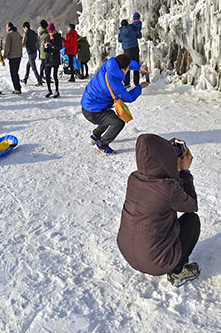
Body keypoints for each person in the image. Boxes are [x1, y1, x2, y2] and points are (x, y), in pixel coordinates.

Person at [117, 134, 200, 287]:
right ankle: (177, 272)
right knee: (192, 220)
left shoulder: (134, 178)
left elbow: (158, 188)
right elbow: (191, 205)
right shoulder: (168, 188)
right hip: (156, 263)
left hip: (128, 252)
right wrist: (184, 173)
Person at [80, 53, 149, 154]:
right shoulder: (116, 85)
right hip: (92, 112)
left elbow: (126, 64)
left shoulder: (108, 65)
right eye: (127, 69)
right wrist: (140, 87)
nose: (128, 70)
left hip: (88, 104)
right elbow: (129, 98)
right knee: (118, 122)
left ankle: (95, 136)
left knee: (109, 116)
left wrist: (139, 67)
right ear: (122, 70)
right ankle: (102, 145)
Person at [118, 16, 142, 87]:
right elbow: (139, 36)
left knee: (126, 66)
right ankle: (136, 82)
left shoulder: (121, 32)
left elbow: (119, 40)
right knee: (136, 66)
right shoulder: (132, 28)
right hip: (134, 49)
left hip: (127, 51)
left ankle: (127, 83)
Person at [43, 23, 62, 98]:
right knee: (47, 75)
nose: (50, 33)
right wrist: (46, 47)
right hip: (48, 59)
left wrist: (53, 46)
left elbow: (59, 47)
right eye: (49, 31)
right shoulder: (46, 37)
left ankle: (57, 90)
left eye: (52, 31)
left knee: (55, 75)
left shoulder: (58, 37)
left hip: (55, 58)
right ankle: (49, 90)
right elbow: (45, 50)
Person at [3, 22, 23, 95]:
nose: (6, 29)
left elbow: (7, 47)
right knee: (16, 72)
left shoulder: (9, 35)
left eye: (6, 27)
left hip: (12, 56)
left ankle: (17, 88)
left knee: (13, 73)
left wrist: (5, 55)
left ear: (9, 27)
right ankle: (18, 87)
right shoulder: (18, 33)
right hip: (19, 55)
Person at [37, 20, 49, 86]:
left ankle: (40, 78)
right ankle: (44, 77)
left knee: (42, 65)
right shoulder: (47, 34)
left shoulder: (41, 33)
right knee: (45, 65)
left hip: (42, 51)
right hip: (47, 52)